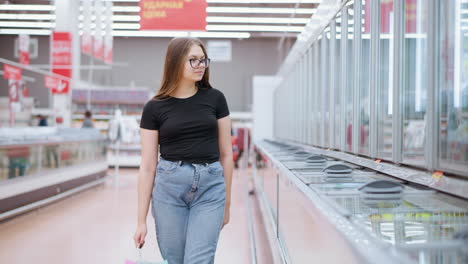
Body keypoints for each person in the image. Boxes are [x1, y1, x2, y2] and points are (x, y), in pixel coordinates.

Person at [134, 37, 233, 264]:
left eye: (203, 60)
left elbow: (226, 155)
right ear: (175, 62)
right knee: (175, 259)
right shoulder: (154, 107)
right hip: (169, 189)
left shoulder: (216, 99)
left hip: (210, 189)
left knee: (198, 260)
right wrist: (141, 221)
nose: (200, 65)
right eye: (193, 60)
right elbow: (148, 166)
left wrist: (226, 204)